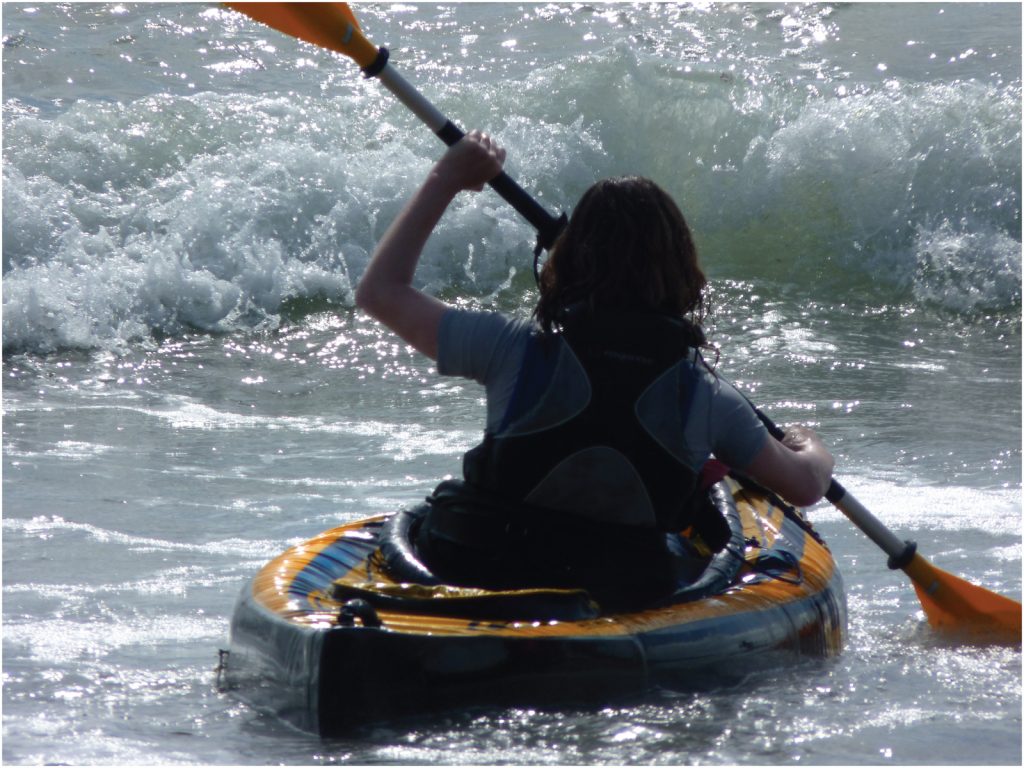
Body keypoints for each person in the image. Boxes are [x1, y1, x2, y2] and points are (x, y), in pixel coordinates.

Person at [356, 131, 834, 607]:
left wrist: (446, 178)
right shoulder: (704, 397)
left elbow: (379, 292)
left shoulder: (511, 348)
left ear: (567, 260)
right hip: (613, 588)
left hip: (475, 565)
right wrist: (806, 444)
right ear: (683, 271)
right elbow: (805, 485)